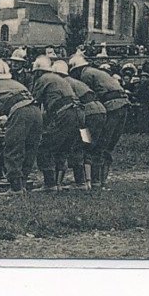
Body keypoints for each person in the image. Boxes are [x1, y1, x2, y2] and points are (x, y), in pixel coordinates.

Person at [0, 59, 42, 195]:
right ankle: (23, 183)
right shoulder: (17, 84)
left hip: (21, 113)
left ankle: (15, 188)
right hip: (36, 111)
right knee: (29, 148)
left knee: (13, 148)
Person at [68, 52, 129, 187]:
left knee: (96, 144)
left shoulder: (85, 75)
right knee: (107, 145)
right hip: (122, 105)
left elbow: (87, 96)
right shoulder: (96, 72)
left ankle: (93, 180)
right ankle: (100, 179)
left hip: (108, 108)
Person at [30, 55, 82, 193]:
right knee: (63, 148)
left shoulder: (43, 79)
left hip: (64, 113)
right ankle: (61, 183)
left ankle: (50, 184)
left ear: (38, 71)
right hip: (77, 112)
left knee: (44, 147)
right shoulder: (58, 79)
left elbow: (34, 102)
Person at [55, 59, 104, 190]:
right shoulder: (75, 81)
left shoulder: (62, 83)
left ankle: (80, 182)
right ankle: (92, 181)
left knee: (77, 144)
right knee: (88, 144)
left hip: (86, 114)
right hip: (99, 111)